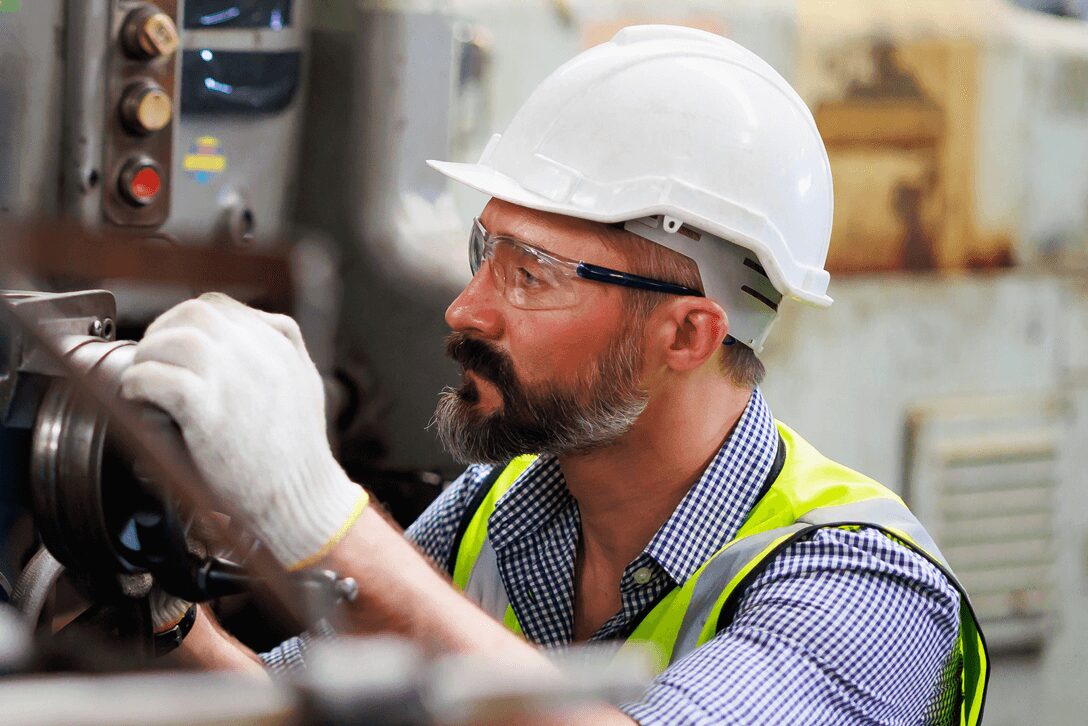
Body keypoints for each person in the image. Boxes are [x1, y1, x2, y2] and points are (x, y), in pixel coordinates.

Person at [121, 25, 988, 724]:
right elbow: (290, 710)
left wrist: (322, 518)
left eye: (529, 274)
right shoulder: (502, 512)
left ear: (687, 334)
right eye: (483, 252)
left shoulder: (865, 591)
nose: (465, 311)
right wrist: (152, 612)